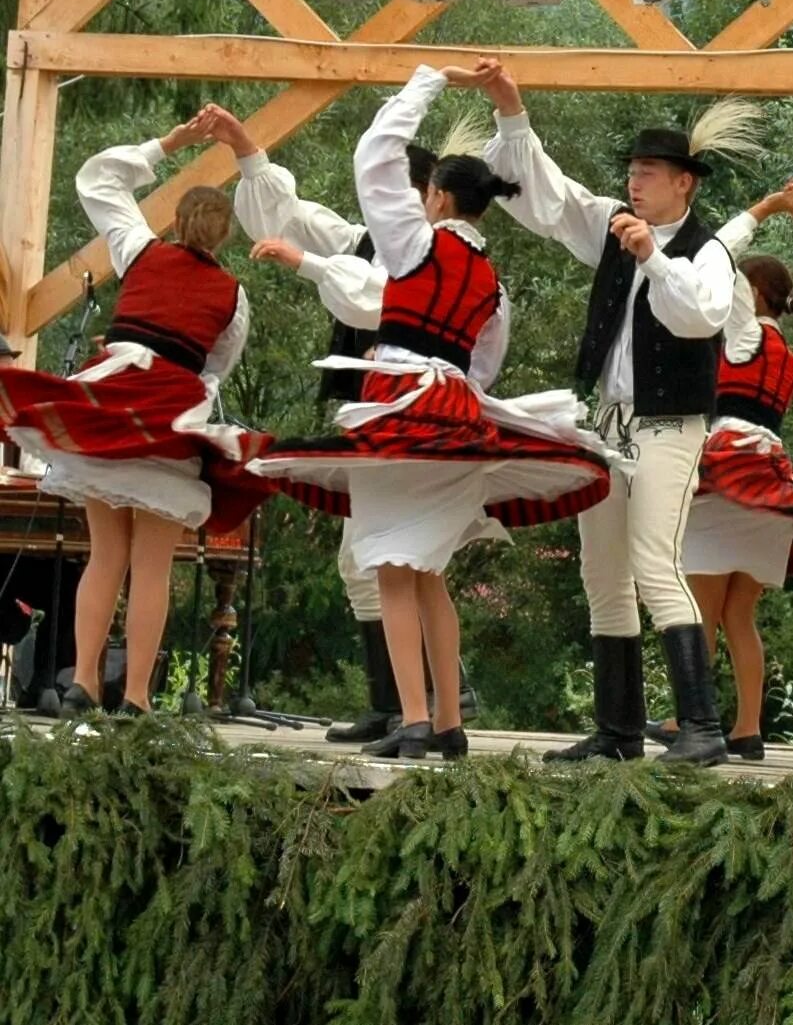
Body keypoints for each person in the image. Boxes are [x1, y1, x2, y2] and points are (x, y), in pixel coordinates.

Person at [250, 63, 613, 760]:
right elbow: (483, 366)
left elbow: (373, 154)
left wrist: (427, 82)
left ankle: (415, 719)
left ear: (439, 197)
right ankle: (447, 720)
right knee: (429, 573)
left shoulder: (413, 245)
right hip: (454, 412)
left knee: (388, 564)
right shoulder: (493, 282)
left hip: (398, 408)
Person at [481, 63, 750, 766]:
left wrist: (652, 257)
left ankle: (702, 727)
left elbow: (699, 315)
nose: (635, 181)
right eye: (632, 169)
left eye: (650, 171)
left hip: (671, 424)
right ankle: (618, 731)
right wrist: (513, 111)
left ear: (684, 182)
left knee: (654, 562)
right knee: (602, 572)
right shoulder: (610, 223)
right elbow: (547, 196)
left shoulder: (709, 249)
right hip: (608, 420)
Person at [0, 113, 272, 716]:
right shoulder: (234, 295)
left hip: (111, 409)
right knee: (151, 568)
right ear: (222, 238)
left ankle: (85, 684)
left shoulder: (139, 249)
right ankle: (141, 697)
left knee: (104, 556)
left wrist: (168, 143)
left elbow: (97, 180)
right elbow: (215, 368)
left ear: (175, 224)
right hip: (170, 423)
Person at [226, 105, 479, 745]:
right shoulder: (365, 240)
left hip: (413, 418)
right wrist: (245, 146)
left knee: (390, 560)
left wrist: (305, 267)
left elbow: (376, 294)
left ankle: (418, 706)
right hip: (382, 418)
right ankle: (406, 704)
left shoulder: (428, 257)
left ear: (426, 198)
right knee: (375, 563)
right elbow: (291, 216)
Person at [648, 185, 793, 758]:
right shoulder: (787, 353)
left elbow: (718, 260)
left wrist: (759, 211)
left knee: (700, 607)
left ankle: (691, 723)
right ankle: (747, 728)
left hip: (728, 473)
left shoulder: (745, 334)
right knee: (739, 614)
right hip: (771, 478)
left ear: (752, 294)